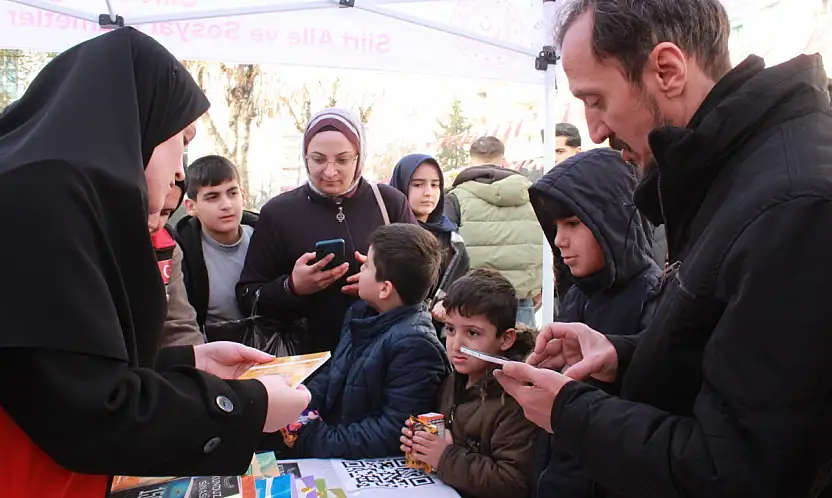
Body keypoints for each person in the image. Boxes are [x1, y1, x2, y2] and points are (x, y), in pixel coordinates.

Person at [496, 1, 832, 497]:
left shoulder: (791, 202)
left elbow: (738, 470)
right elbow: (729, 358)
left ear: (668, 71)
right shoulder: (735, 173)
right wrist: (622, 356)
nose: (595, 132)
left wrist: (571, 411)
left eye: (596, 100)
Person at [0, 28, 310, 498]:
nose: (181, 170)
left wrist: (187, 360)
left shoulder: (46, 188)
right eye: (180, 139)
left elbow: (59, 368)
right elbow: (87, 412)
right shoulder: (42, 198)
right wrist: (247, 408)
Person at [527, 148, 661, 497]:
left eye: (573, 223)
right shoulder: (577, 294)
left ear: (612, 220)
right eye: (555, 227)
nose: (559, 241)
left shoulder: (651, 299)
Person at [238, 108, 417, 354]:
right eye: (319, 159)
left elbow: (426, 274)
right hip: (306, 362)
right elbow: (248, 296)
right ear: (305, 157)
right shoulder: (278, 213)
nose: (330, 171)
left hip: (384, 355)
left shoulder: (389, 203)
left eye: (343, 160)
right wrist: (292, 287)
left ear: (359, 157)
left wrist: (383, 284)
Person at [272, 223, 450, 458]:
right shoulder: (363, 314)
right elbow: (335, 371)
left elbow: (392, 432)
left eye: (367, 266)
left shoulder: (416, 345)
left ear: (385, 288)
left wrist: (314, 438)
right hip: (335, 441)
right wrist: (301, 405)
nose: (361, 267)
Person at [401, 269, 537, 498]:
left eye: (472, 333)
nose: (455, 344)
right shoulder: (453, 380)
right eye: (451, 330)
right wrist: (422, 444)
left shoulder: (515, 399)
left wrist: (444, 456)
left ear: (506, 339)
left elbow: (512, 483)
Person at [444, 136, 543, 327]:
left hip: (472, 299)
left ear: (471, 160)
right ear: (503, 159)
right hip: (521, 298)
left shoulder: (456, 197)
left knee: (475, 355)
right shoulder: (531, 194)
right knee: (522, 355)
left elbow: (448, 250)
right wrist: (541, 287)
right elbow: (547, 242)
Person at [176, 155, 258, 333]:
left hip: (273, 350)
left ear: (243, 196)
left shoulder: (264, 238)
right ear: (191, 207)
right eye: (212, 197)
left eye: (232, 193)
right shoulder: (182, 253)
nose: (226, 205)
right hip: (214, 351)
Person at [389, 153, 470, 334]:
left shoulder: (451, 238)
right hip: (393, 333)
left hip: (440, 335)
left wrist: (448, 301)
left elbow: (461, 284)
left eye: (435, 185)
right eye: (418, 184)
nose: (428, 192)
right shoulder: (387, 234)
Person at [149, 177, 205, 347]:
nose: (154, 223)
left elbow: (179, 327)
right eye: (147, 208)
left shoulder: (168, 250)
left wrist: (199, 363)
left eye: (165, 212)